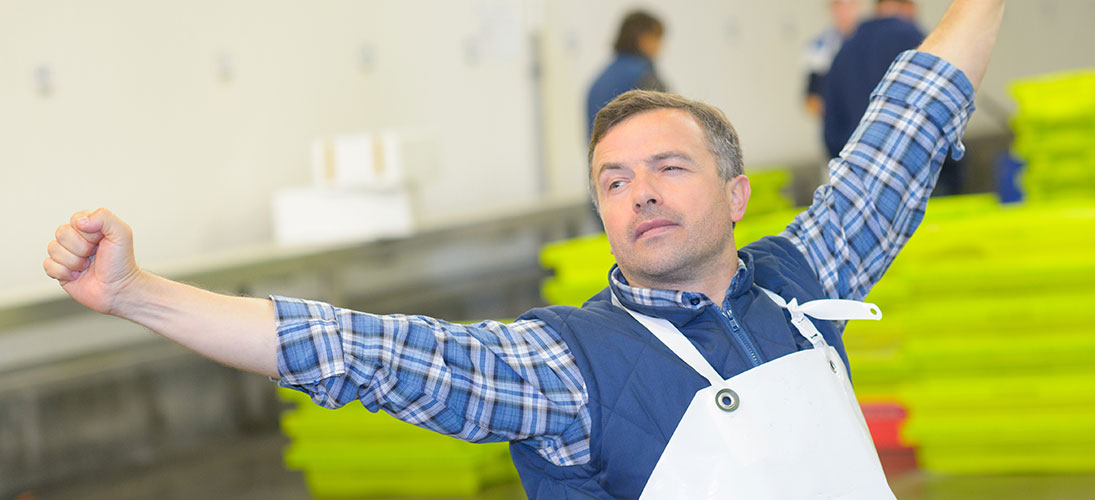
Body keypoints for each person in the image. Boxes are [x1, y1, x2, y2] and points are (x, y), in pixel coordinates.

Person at [43, 0, 1004, 497]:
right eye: (614, 181)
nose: (639, 194)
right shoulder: (567, 366)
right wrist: (138, 294)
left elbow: (908, 125)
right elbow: (357, 352)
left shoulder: (807, 278)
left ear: (737, 193)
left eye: (668, 167)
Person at [823, 0, 965, 196]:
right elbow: (944, 109)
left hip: (862, 189)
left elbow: (831, 130)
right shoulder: (914, 40)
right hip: (923, 184)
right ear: (906, 7)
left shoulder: (842, 53)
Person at [586, 10, 667, 140]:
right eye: (658, 39)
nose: (661, 47)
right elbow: (665, 127)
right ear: (644, 39)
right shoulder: (644, 76)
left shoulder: (598, 80)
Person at [803, 0, 861, 117]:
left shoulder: (870, 42)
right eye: (840, 5)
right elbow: (812, 99)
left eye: (850, 5)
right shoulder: (820, 47)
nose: (846, 11)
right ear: (832, 7)